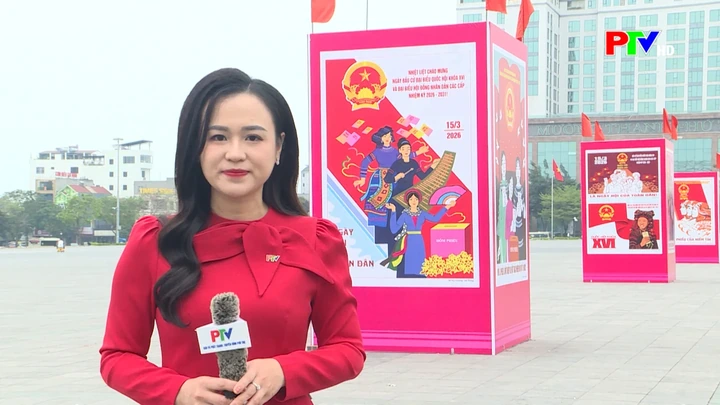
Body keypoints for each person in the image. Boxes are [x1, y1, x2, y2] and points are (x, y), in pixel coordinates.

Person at [99, 68, 365, 405]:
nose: (235, 153)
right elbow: (117, 357)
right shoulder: (155, 241)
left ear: (279, 147)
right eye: (218, 137)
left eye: (253, 137)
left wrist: (284, 371)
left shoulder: (316, 240)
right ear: (195, 147)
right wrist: (178, 391)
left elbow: (348, 350)